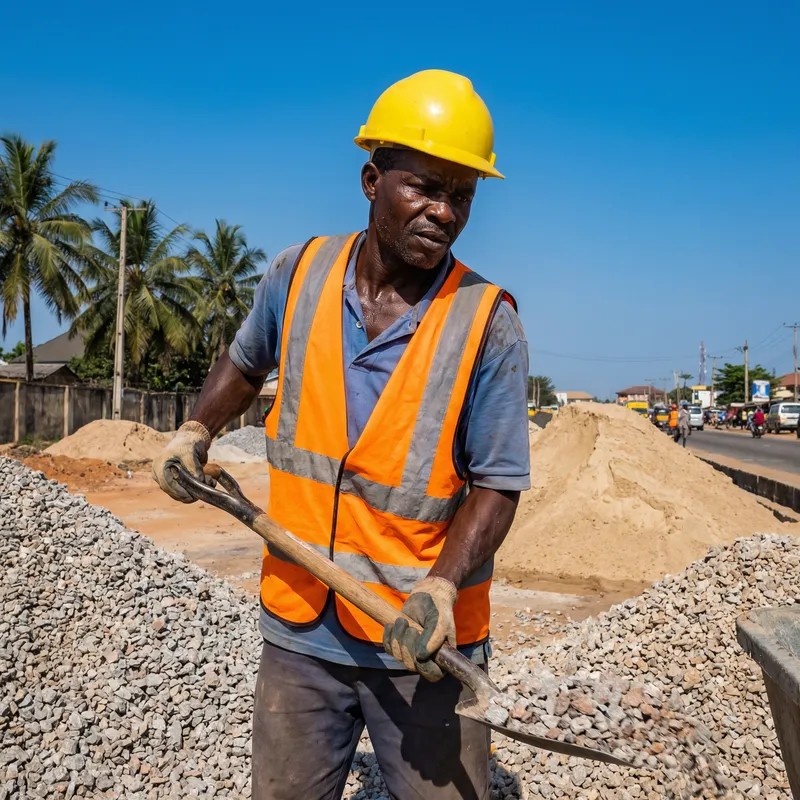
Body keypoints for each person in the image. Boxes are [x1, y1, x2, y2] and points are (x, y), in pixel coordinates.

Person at [152, 69, 529, 800]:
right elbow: (242, 361)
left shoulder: (489, 323)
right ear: (370, 179)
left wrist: (442, 591)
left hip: (418, 643)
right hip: (301, 631)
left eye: (462, 196)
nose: (444, 211)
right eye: (425, 186)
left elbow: (499, 484)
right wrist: (195, 430)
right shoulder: (297, 275)